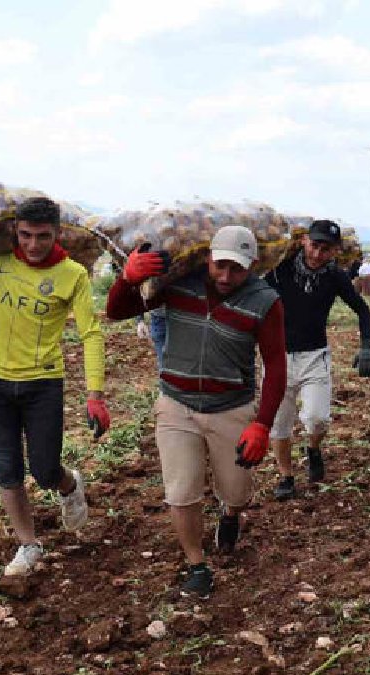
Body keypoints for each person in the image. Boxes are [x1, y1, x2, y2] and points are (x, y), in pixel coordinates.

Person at [0, 195, 110, 576]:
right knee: (7, 469)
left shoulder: (72, 274)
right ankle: (28, 546)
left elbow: (90, 334)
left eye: (42, 236)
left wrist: (95, 395)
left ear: (57, 233)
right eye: (25, 235)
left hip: (41, 383)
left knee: (44, 470)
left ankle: (68, 485)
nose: (32, 245)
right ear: (15, 230)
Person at [105, 226, 287, 599]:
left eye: (236, 269)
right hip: (177, 404)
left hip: (231, 408)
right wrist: (128, 279)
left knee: (237, 491)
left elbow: (275, 365)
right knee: (181, 491)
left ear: (252, 265)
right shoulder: (178, 284)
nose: (225, 277)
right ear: (207, 258)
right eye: (219, 266)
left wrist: (262, 424)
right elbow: (117, 311)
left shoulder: (265, 301)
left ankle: (231, 514)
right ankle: (196, 564)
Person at [264, 219, 370, 499]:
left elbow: (362, 310)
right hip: (276, 357)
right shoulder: (278, 269)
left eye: (325, 249)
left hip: (315, 356)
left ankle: (313, 448)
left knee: (317, 419)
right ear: (303, 241)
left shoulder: (334, 276)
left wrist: (367, 346)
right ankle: (286, 476)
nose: (317, 254)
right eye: (314, 246)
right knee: (279, 423)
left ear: (335, 251)